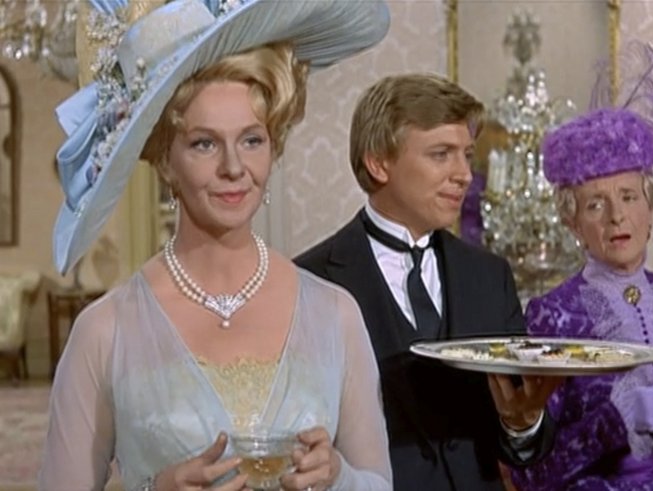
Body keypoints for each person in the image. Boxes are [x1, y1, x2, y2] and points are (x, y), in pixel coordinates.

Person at [39, 1, 393, 490]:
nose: (233, 167)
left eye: (252, 140)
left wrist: (338, 476)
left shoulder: (336, 315)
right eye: (204, 143)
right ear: (167, 161)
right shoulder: (105, 332)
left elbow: (378, 483)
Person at [295, 73, 561, 491]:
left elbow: (521, 444)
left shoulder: (489, 276)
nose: (465, 175)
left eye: (467, 155)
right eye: (441, 155)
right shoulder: (311, 281)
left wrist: (522, 423)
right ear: (378, 163)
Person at [510, 43, 653, 490]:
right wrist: (617, 420)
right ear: (572, 221)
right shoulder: (553, 314)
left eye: (629, 197)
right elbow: (532, 474)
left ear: (650, 207)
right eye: (596, 204)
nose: (617, 217)